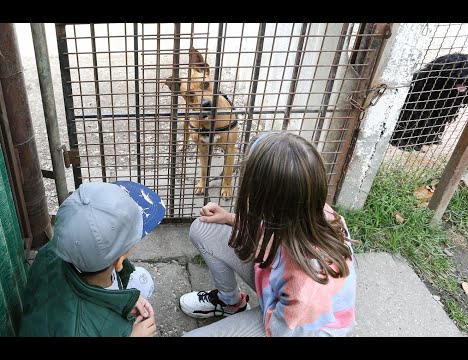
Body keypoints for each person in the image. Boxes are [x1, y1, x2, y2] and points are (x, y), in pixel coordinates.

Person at [180, 131, 357, 337]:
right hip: (279, 284)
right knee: (203, 229)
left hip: (294, 327)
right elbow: (266, 226)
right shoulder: (306, 207)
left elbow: (281, 331)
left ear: (266, 197)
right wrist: (229, 218)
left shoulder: (306, 281)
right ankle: (229, 303)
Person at [19, 180, 166, 337]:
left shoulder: (51, 251)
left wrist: (123, 300)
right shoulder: (82, 331)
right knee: (145, 282)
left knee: (143, 280)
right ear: (118, 262)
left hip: (53, 314)